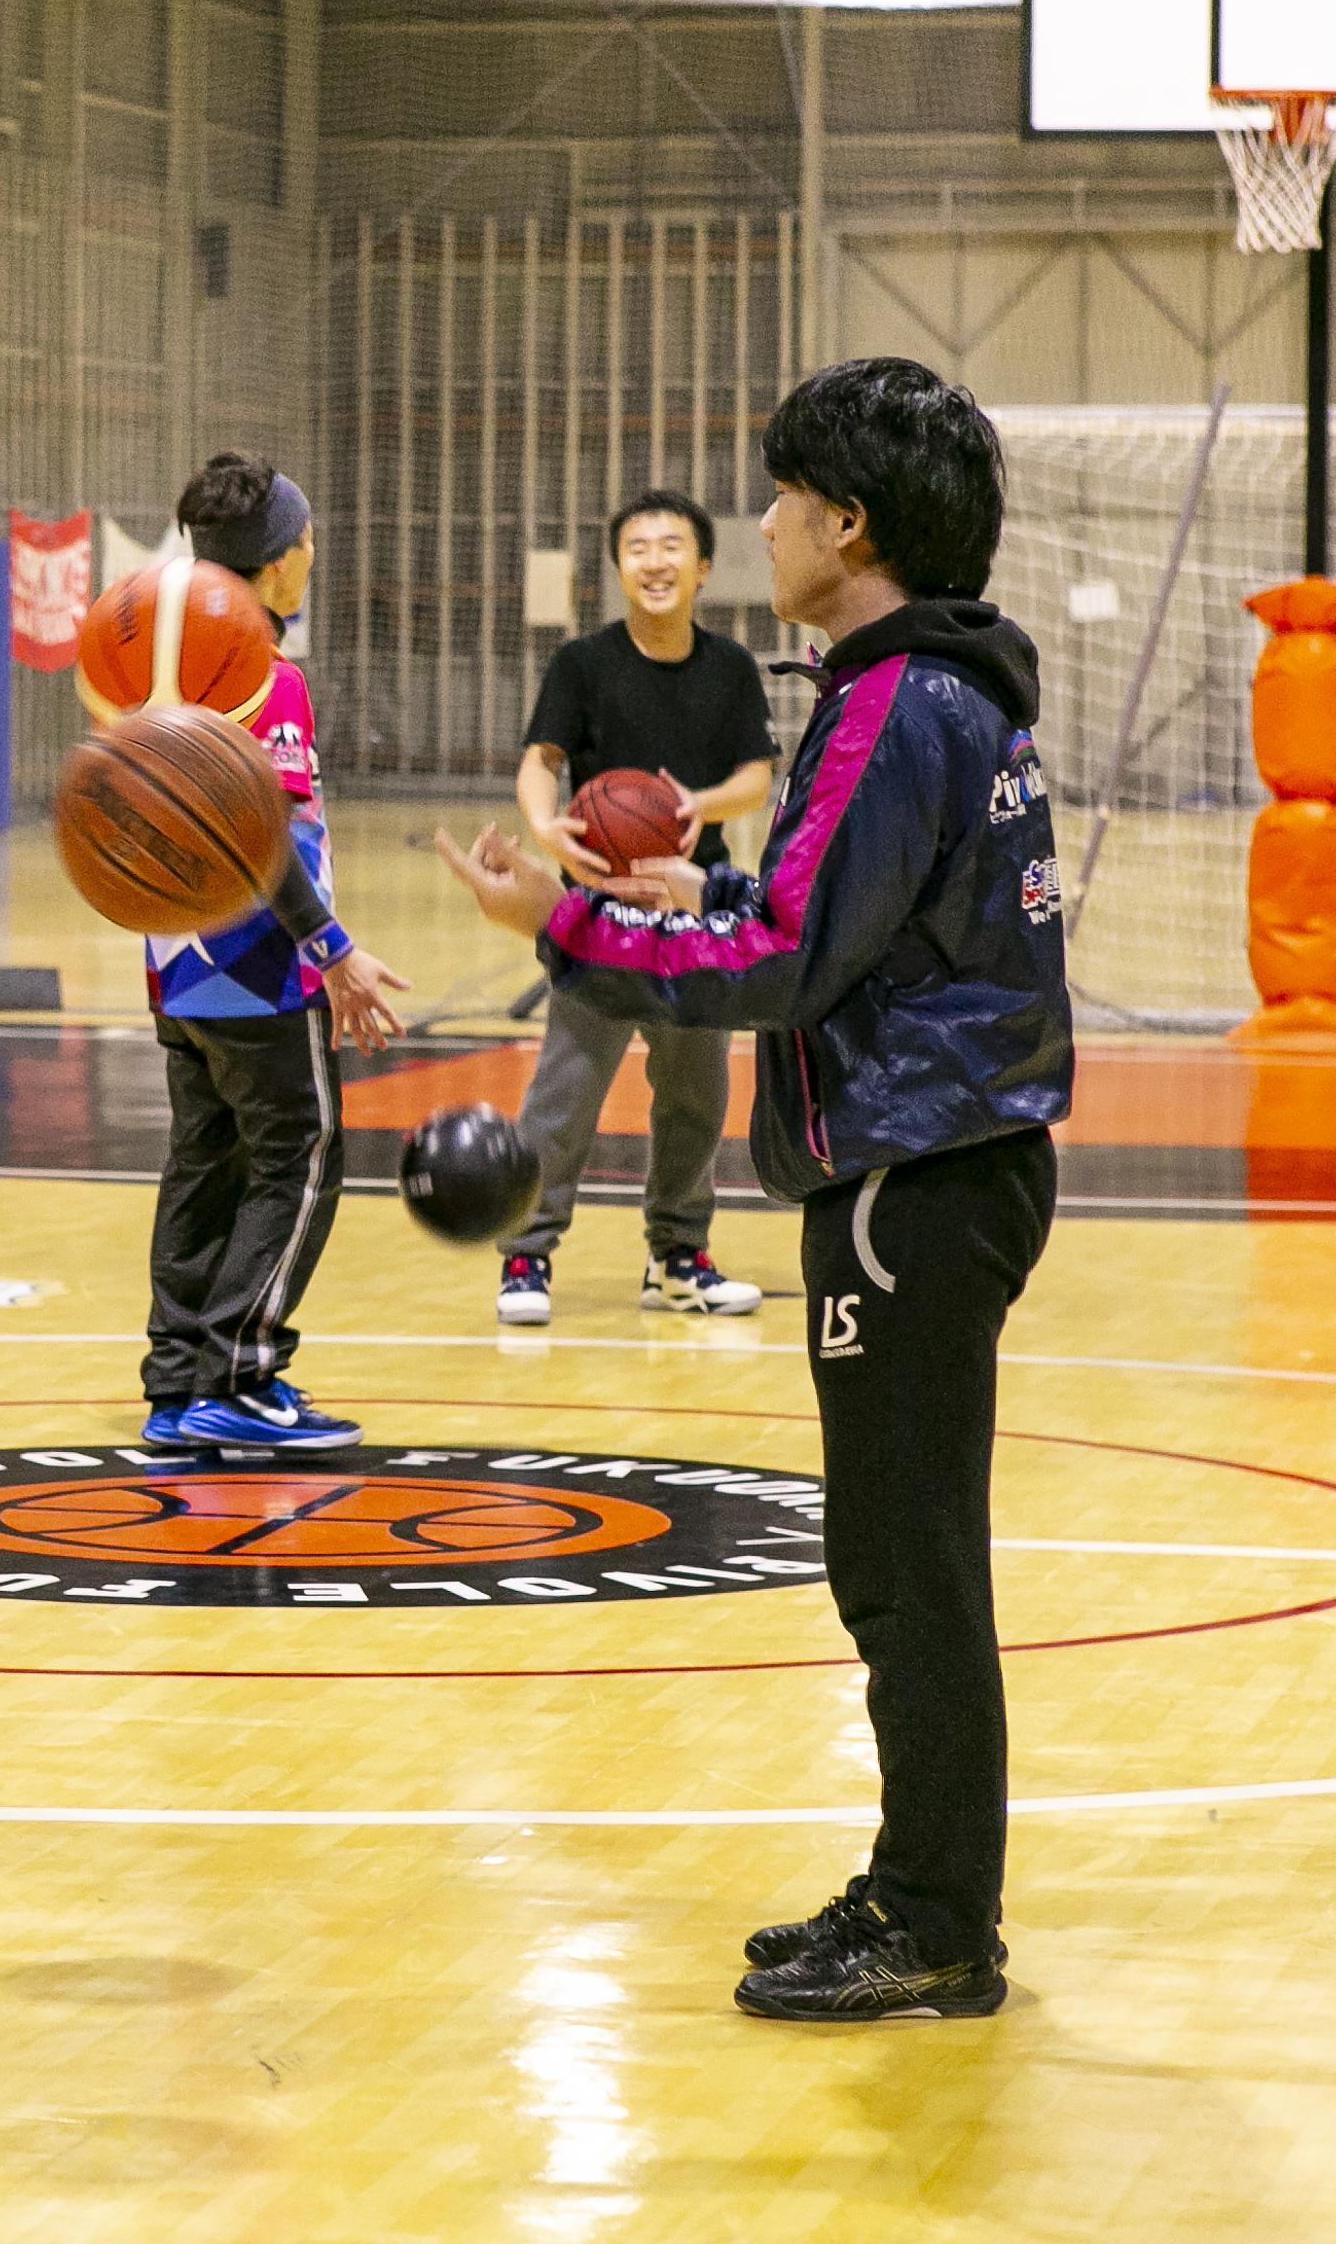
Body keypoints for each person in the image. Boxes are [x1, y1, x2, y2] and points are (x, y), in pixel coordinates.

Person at [441, 356, 1068, 2023]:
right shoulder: (940, 691)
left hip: (914, 1172)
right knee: (899, 1553)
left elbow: (786, 959)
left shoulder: (889, 705)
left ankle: (940, 1919)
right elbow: (838, 911)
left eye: (786, 500)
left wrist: (568, 929)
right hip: (943, 1161)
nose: (765, 528)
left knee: (905, 1564)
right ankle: (916, 1881)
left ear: (846, 523)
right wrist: (689, 888)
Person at [137, 453, 412, 1452]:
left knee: (202, 1164)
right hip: (261, 967)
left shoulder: (153, 670)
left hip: (173, 960)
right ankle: (245, 1372)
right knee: (301, 1156)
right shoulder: (264, 671)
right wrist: (332, 946)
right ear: (279, 561)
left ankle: (176, 1382)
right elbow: (261, 834)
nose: (313, 554)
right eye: (304, 541)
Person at [502, 488, 779, 1326]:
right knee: (566, 1090)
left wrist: (701, 806)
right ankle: (526, 1253)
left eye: (671, 548)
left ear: (701, 568)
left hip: (697, 913)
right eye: (637, 548)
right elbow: (539, 761)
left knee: (695, 1092)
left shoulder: (730, 667)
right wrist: (546, 828)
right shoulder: (583, 665)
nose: (654, 562)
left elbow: (756, 779)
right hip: (601, 912)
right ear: (617, 568)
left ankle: (678, 1256)